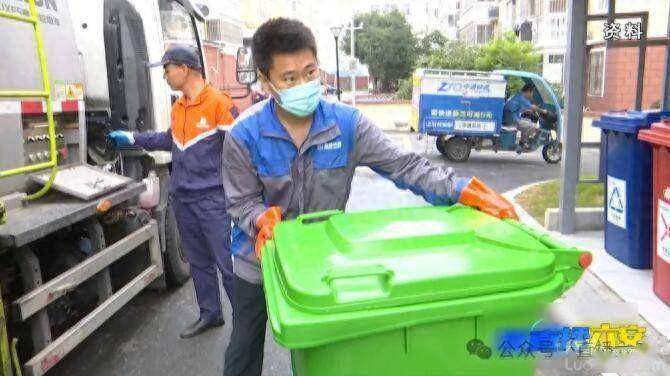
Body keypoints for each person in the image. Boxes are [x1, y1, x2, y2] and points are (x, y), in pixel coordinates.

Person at [221, 18, 518, 376]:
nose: (304, 84)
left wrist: (461, 189)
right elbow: (240, 202)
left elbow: (405, 166)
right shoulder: (243, 135)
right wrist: (260, 220)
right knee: (244, 347)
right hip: (257, 260)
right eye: (289, 78)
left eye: (310, 71)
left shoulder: (346, 124)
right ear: (267, 82)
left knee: (319, 350)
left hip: (321, 265)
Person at [107, 45, 238, 339]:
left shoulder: (219, 104)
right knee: (199, 262)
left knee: (227, 263)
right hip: (184, 199)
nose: (165, 76)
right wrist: (132, 137)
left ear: (184, 68)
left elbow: (240, 152)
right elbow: (169, 140)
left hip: (213, 201)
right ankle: (210, 313)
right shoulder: (179, 107)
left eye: (167, 69)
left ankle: (245, 321)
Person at [503, 83, 548, 147]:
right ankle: (522, 143)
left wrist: (530, 111)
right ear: (528, 91)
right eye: (532, 93)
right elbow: (532, 107)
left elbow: (519, 108)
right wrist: (543, 111)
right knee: (533, 126)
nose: (532, 95)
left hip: (510, 117)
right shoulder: (522, 98)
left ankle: (523, 141)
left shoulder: (518, 95)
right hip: (511, 120)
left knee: (528, 122)